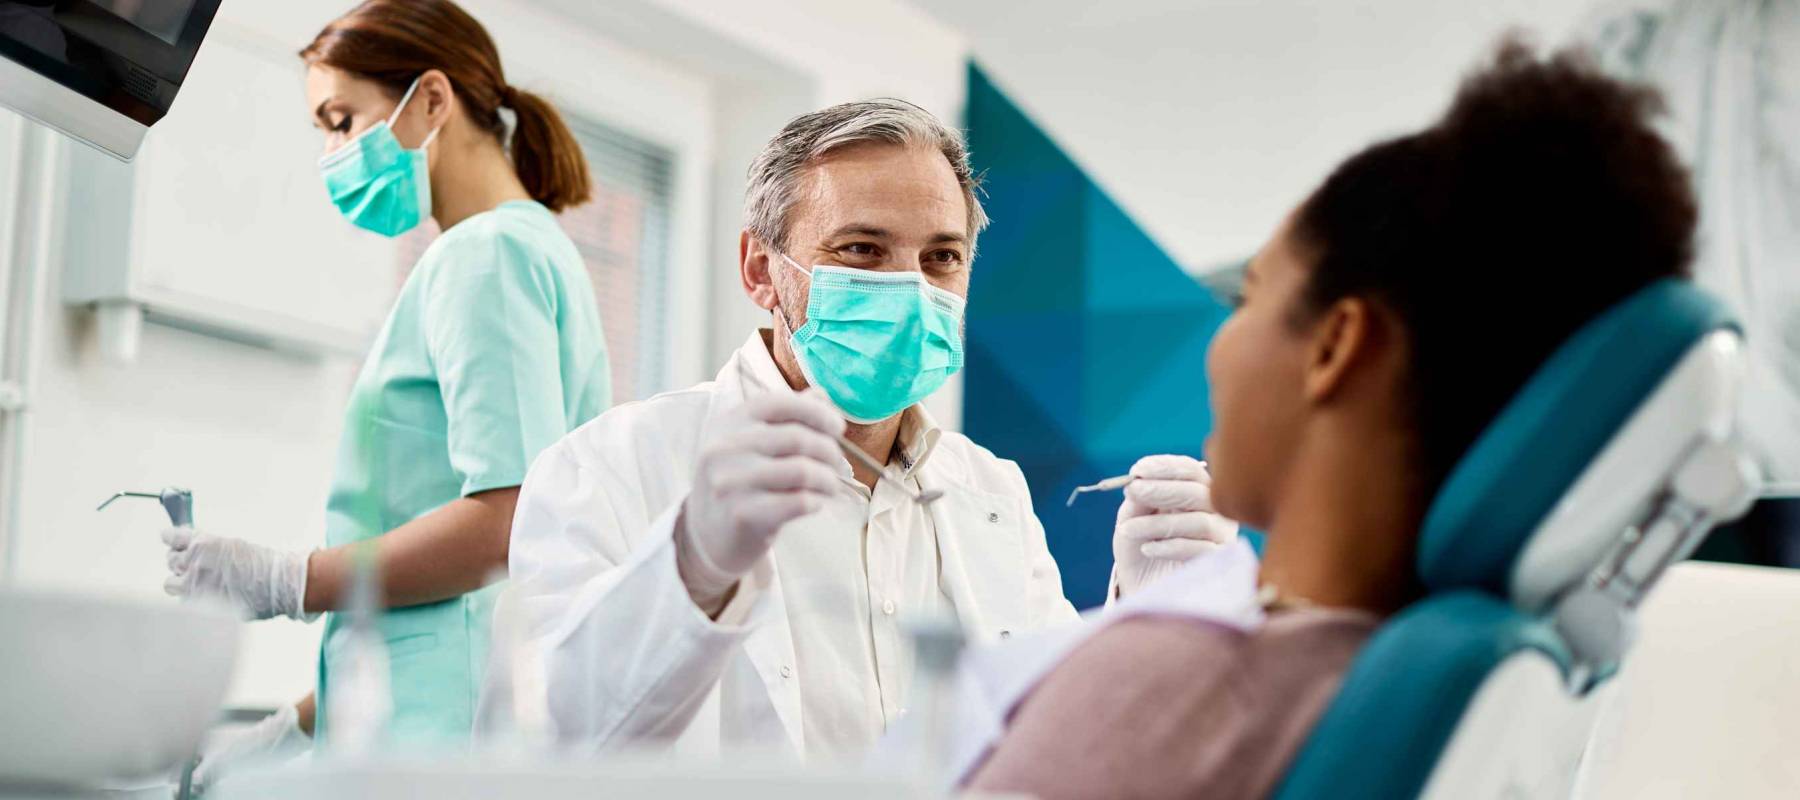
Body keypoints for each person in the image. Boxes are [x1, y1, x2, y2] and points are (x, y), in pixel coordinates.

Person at [961, 40, 1699, 800]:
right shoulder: (1452, 684)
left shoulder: (1167, 685)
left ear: (1337, 346)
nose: (1218, 345)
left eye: (1248, 298)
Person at [484, 99, 1239, 758]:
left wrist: (1143, 617)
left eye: (941, 257)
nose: (909, 289)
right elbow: (552, 746)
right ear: (759, 269)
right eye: (860, 250)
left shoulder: (990, 492)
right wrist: (693, 567)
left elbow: (1044, 747)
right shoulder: (610, 466)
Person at [157, 0, 610, 786]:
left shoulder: (487, 256)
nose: (334, 152)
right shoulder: (519, 249)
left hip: (450, 737)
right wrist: (293, 727)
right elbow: (426, 615)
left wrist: (288, 579)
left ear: (433, 99)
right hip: (432, 718)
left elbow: (508, 522)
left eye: (343, 119)